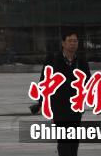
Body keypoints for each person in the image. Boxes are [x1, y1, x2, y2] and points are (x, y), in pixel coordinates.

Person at [37, 28, 91, 156]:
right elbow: (43, 80)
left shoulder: (81, 61)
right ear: (63, 43)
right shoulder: (53, 59)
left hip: (75, 107)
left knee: (74, 141)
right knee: (64, 141)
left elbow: (88, 80)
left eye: (75, 41)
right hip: (58, 106)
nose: (73, 43)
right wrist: (41, 102)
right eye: (70, 40)